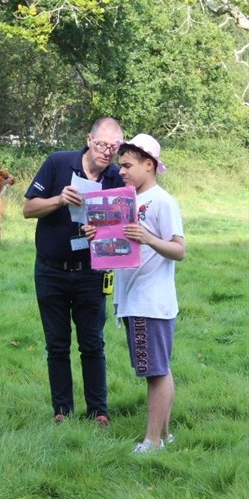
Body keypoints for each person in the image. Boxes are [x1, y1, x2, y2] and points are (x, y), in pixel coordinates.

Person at [23, 117, 124, 426]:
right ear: (88, 139)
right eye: (102, 144)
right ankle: (62, 412)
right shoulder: (58, 163)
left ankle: (99, 412)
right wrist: (58, 199)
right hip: (51, 270)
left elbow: (123, 231)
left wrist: (103, 233)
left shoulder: (116, 178)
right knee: (56, 344)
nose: (107, 152)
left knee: (92, 342)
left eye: (114, 147)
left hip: (90, 272)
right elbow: (28, 209)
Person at [114, 133, 185, 453]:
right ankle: (165, 436)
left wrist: (149, 239)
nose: (122, 171)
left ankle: (152, 441)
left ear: (149, 164)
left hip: (150, 302)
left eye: (128, 165)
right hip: (132, 299)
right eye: (120, 165)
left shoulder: (162, 201)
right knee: (156, 368)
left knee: (156, 372)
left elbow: (179, 250)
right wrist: (96, 236)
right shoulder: (126, 201)